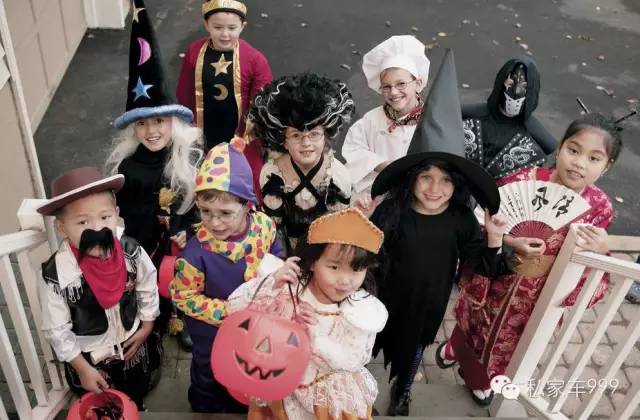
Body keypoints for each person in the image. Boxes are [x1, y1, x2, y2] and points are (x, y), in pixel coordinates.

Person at [360, 50, 511, 416]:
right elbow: (363, 253)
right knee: (365, 347)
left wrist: (493, 239)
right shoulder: (392, 211)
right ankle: (358, 392)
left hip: (427, 305)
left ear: (456, 185)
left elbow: (486, 267)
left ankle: (403, 391)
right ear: (411, 178)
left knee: (414, 351)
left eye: (445, 180)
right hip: (381, 297)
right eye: (425, 177)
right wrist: (363, 223)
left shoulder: (460, 220)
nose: (434, 188)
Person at [439, 113, 621, 405]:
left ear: (607, 166)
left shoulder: (599, 208)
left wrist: (600, 249)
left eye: (593, 158)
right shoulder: (523, 179)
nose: (579, 163)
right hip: (498, 278)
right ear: (560, 147)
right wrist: (510, 241)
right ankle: (458, 355)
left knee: (508, 345)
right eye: (573, 150)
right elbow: (483, 222)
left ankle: (476, 374)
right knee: (473, 324)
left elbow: (589, 260)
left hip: (537, 295)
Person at [227, 208, 388, 419]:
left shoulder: (362, 311)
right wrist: (272, 283)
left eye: (356, 270)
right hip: (280, 386)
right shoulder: (290, 286)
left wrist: (315, 339)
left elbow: (354, 359)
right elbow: (235, 307)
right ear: (312, 262)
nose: (345, 280)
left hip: (325, 399)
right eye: (334, 267)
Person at [107, 0, 203, 349]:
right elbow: (124, 212)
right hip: (145, 244)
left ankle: (185, 316)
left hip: (182, 245)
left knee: (187, 276)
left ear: (173, 122)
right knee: (151, 282)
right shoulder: (128, 168)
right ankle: (158, 319)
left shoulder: (188, 160)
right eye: (143, 124)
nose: (152, 131)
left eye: (159, 121)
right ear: (134, 128)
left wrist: (187, 229)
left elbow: (199, 204)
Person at [170, 140, 284, 412]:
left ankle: (241, 403)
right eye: (205, 212)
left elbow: (276, 252)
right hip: (212, 331)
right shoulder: (194, 255)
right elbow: (184, 297)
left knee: (247, 364)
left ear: (247, 205)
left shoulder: (264, 226)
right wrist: (231, 312)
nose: (214, 222)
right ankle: (204, 406)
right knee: (209, 369)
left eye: (225, 213)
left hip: (257, 324)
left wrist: (276, 276)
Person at [37, 167, 160, 409]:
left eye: (105, 217)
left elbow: (147, 285)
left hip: (131, 340)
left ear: (117, 214)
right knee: (99, 400)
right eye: (83, 222)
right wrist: (82, 368)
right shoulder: (56, 277)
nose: (97, 229)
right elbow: (56, 329)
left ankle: (136, 404)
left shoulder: (131, 251)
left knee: (135, 387)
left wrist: (147, 325)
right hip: (90, 358)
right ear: (61, 228)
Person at [250, 73, 355, 254]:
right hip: (285, 254)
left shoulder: (338, 176)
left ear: (326, 136)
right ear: (284, 141)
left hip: (324, 252)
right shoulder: (272, 174)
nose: (306, 143)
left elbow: (339, 230)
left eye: (314, 134)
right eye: (296, 135)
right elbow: (273, 230)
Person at [176, 0, 272, 196]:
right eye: (218, 27)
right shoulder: (195, 52)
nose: (225, 34)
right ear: (206, 25)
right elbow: (184, 93)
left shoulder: (255, 60)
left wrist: (251, 139)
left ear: (243, 26)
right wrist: (185, 129)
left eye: (232, 28)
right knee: (197, 181)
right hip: (201, 136)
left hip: (242, 139)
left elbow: (264, 105)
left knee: (246, 184)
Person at [342, 35, 430, 196]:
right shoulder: (371, 120)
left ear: (418, 83)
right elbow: (354, 148)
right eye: (386, 87)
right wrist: (381, 164)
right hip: (378, 193)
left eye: (401, 84)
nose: (394, 92)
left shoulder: (431, 121)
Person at [462, 57, 556, 179]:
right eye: (510, 84)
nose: (516, 91)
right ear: (501, 84)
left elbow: (551, 149)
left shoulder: (536, 135)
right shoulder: (471, 114)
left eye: (524, 86)